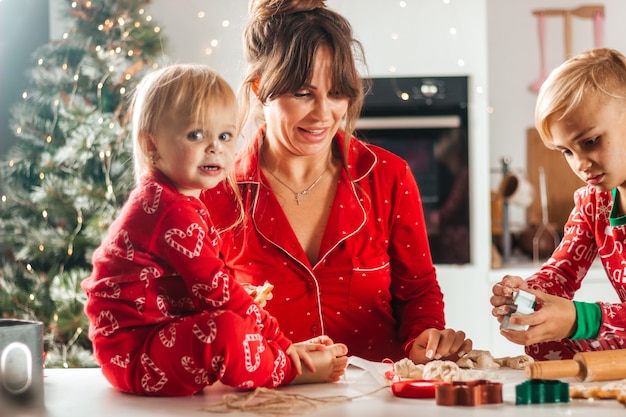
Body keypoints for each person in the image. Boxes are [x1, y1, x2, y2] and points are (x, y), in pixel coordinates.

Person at [202, 0, 472, 365]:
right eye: (303, 93)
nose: (323, 114)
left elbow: (417, 292)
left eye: (337, 92)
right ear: (259, 87)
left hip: (376, 399)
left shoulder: (388, 176)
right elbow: (202, 316)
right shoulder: (216, 191)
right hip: (268, 401)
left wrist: (424, 338)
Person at [81, 63, 348, 397]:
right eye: (196, 135)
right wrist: (280, 342)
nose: (215, 148)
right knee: (225, 329)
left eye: (225, 136)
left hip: (159, 340)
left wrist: (273, 338)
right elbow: (217, 291)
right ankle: (289, 368)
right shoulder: (171, 210)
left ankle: (280, 356)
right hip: (136, 354)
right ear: (152, 145)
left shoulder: (176, 199)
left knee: (234, 317)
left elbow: (211, 286)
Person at [490, 47, 626, 361]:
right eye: (566, 151)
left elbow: (584, 320)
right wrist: (525, 294)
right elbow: (561, 273)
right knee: (543, 339)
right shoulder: (594, 202)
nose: (580, 164)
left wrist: (582, 319)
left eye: (590, 141)